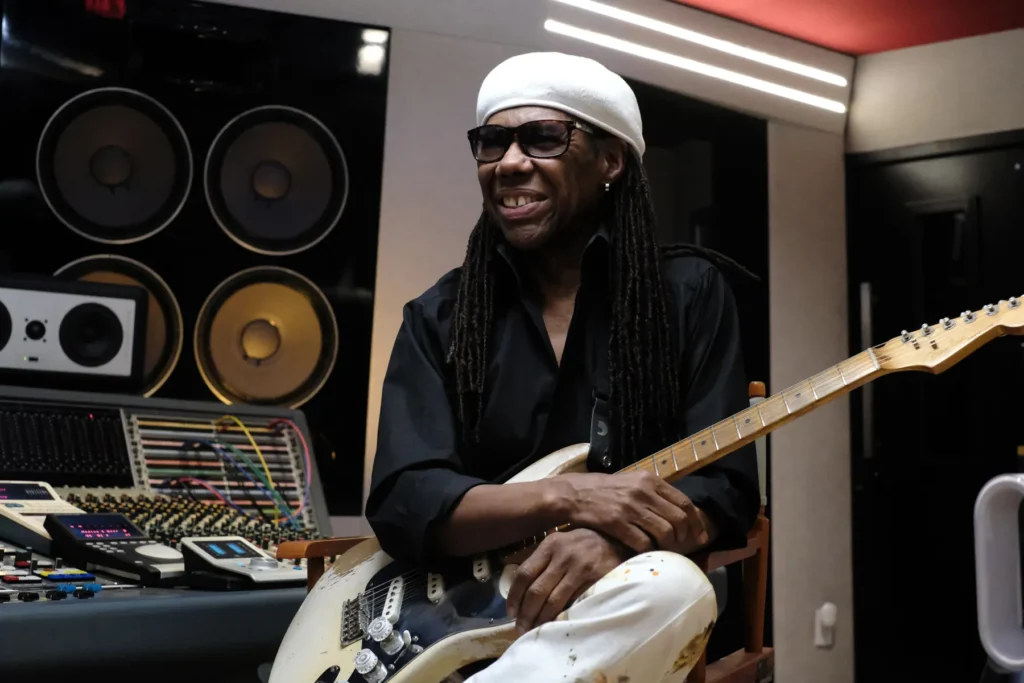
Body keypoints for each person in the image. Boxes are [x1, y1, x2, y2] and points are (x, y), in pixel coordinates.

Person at [366, 51, 761, 683]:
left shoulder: (686, 294)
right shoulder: (440, 316)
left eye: (544, 137)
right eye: (492, 142)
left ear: (611, 161)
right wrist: (569, 495)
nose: (509, 162)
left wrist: (616, 542)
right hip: (454, 619)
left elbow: (726, 488)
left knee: (676, 590)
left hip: (621, 601)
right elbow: (403, 497)